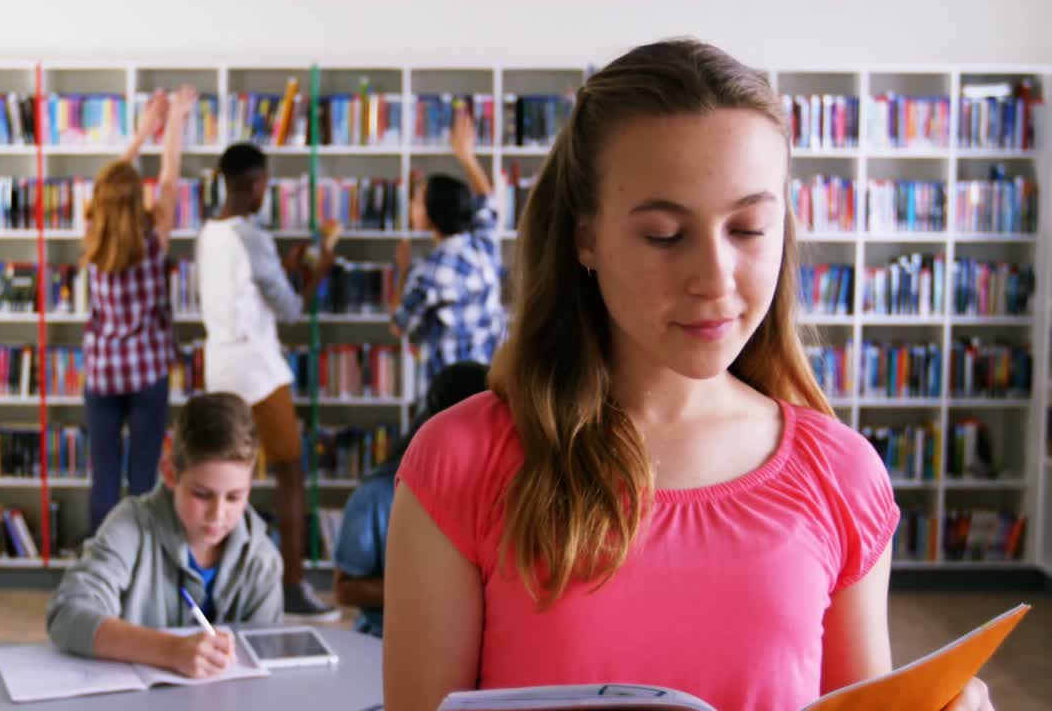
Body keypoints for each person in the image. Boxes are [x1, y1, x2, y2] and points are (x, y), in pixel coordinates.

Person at [383, 39, 994, 711]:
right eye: (666, 235)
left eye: (750, 228)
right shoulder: (461, 463)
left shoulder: (842, 478)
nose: (714, 280)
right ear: (585, 238)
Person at [198, 142, 341, 621]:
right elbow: (290, 309)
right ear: (256, 184)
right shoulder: (251, 237)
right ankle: (294, 585)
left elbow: (247, 289)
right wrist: (320, 264)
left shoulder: (207, 233)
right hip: (258, 373)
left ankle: (216, 584)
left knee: (222, 480)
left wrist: (285, 265)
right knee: (290, 474)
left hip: (220, 369)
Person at [47, 392, 283, 679]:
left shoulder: (263, 560)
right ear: (170, 474)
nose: (217, 515)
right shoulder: (130, 525)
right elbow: (67, 614)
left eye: (234, 497)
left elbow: (263, 665)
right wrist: (171, 651)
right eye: (202, 494)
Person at [80, 86, 196, 534]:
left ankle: (100, 570)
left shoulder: (92, 232)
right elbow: (169, 176)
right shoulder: (154, 237)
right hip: (146, 370)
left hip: (104, 371)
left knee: (104, 478)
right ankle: (141, 567)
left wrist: (142, 130)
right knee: (144, 477)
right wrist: (177, 120)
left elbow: (108, 184)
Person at [332, 360, 489, 638]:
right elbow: (344, 588)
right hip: (386, 640)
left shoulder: (498, 490)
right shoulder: (377, 494)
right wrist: (428, 593)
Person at [390, 109, 507, 388]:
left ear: (433, 213)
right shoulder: (483, 246)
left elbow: (398, 325)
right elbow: (486, 200)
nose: (411, 207)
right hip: (491, 383)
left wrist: (402, 271)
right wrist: (466, 156)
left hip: (449, 391)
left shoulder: (427, 271)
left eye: (417, 201)